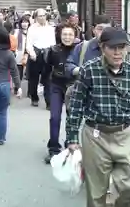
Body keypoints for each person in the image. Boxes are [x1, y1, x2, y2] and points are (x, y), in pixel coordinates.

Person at [66, 27, 130, 207]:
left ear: (127, 48)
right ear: (103, 48)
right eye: (113, 48)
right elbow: (76, 106)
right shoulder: (89, 70)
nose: (118, 52)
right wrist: (72, 138)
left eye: (122, 47)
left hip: (125, 135)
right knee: (97, 195)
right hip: (95, 136)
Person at [42, 23, 76, 164]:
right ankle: (54, 148)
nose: (67, 37)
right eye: (64, 34)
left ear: (75, 36)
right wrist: (44, 87)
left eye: (70, 35)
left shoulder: (78, 50)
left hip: (73, 87)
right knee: (55, 117)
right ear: (59, 35)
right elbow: (46, 69)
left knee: (72, 118)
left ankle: (70, 147)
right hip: (56, 85)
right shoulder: (53, 50)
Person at [26, 8, 55, 109]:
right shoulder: (32, 28)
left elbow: (53, 43)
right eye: (40, 16)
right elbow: (28, 44)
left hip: (47, 54)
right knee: (33, 79)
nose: (42, 18)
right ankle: (34, 98)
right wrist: (32, 53)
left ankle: (49, 102)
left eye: (43, 15)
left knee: (48, 80)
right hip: (36, 54)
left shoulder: (51, 29)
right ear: (36, 17)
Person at [14, 15, 30, 81]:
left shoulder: (31, 32)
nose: (24, 24)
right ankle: (17, 87)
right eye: (23, 22)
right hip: (19, 55)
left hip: (29, 55)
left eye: (26, 22)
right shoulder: (17, 32)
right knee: (18, 74)